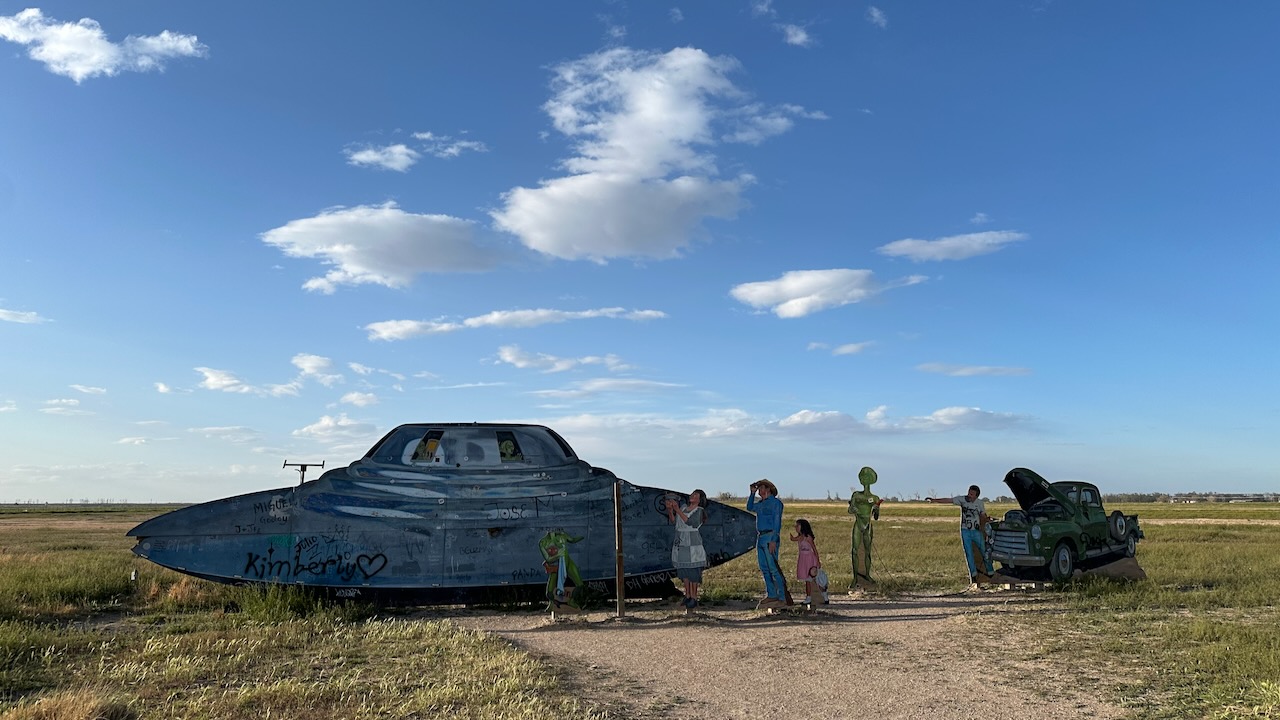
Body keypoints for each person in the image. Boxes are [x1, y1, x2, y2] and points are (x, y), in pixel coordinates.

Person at [926, 485, 995, 584]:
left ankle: (990, 571)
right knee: (968, 553)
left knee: (984, 551)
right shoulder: (962, 499)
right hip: (965, 530)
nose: (969, 495)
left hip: (976, 531)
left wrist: (988, 519)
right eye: (969, 493)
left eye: (972, 494)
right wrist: (934, 500)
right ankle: (973, 574)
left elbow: (982, 515)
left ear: (976, 496)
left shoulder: (980, 504)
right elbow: (948, 500)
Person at [746, 478, 788, 609]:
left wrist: (774, 539)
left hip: (770, 536)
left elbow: (777, 522)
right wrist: (751, 494)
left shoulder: (776, 503)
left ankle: (782, 597)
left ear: (768, 489)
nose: (759, 490)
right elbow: (750, 507)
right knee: (764, 568)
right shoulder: (760, 504)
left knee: (773, 568)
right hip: (761, 536)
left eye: (761, 488)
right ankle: (771, 594)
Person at [666, 489, 709, 609]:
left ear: (700, 500)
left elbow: (691, 522)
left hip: (692, 543)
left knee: (693, 571)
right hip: (681, 542)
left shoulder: (699, 511)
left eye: (696, 495)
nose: (692, 496)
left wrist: (677, 510)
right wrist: (671, 510)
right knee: (684, 570)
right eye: (692, 494)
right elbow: (674, 521)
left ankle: (694, 597)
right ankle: (687, 594)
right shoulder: (684, 507)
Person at [847, 466, 883, 590]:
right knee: (855, 551)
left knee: (867, 551)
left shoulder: (875, 498)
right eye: (863, 477)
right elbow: (850, 509)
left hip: (868, 524)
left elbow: (876, 516)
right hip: (858, 523)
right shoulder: (856, 495)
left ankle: (867, 575)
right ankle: (856, 577)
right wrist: (853, 509)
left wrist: (876, 509)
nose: (865, 479)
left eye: (868, 477)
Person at [790, 518, 825, 604]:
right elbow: (793, 539)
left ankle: (822, 595)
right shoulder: (800, 537)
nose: (796, 527)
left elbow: (814, 549)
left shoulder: (808, 537)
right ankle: (809, 597)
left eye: (797, 525)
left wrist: (817, 560)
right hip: (803, 559)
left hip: (809, 559)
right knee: (807, 579)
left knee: (813, 579)